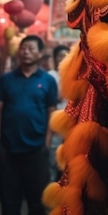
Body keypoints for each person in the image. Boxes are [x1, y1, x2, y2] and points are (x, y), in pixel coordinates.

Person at [0, 35, 58, 215]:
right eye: (23, 48)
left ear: (40, 53)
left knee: (37, 201)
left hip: (37, 149)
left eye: (31, 48)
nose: (26, 52)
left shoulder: (47, 80)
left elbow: (51, 111)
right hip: (8, 148)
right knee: (9, 201)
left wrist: (46, 143)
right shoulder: (6, 79)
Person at [46, 44, 70, 182]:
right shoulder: (51, 76)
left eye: (66, 55)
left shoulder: (74, 74)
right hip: (54, 126)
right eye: (60, 56)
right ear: (55, 59)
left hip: (70, 125)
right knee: (52, 160)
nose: (63, 58)